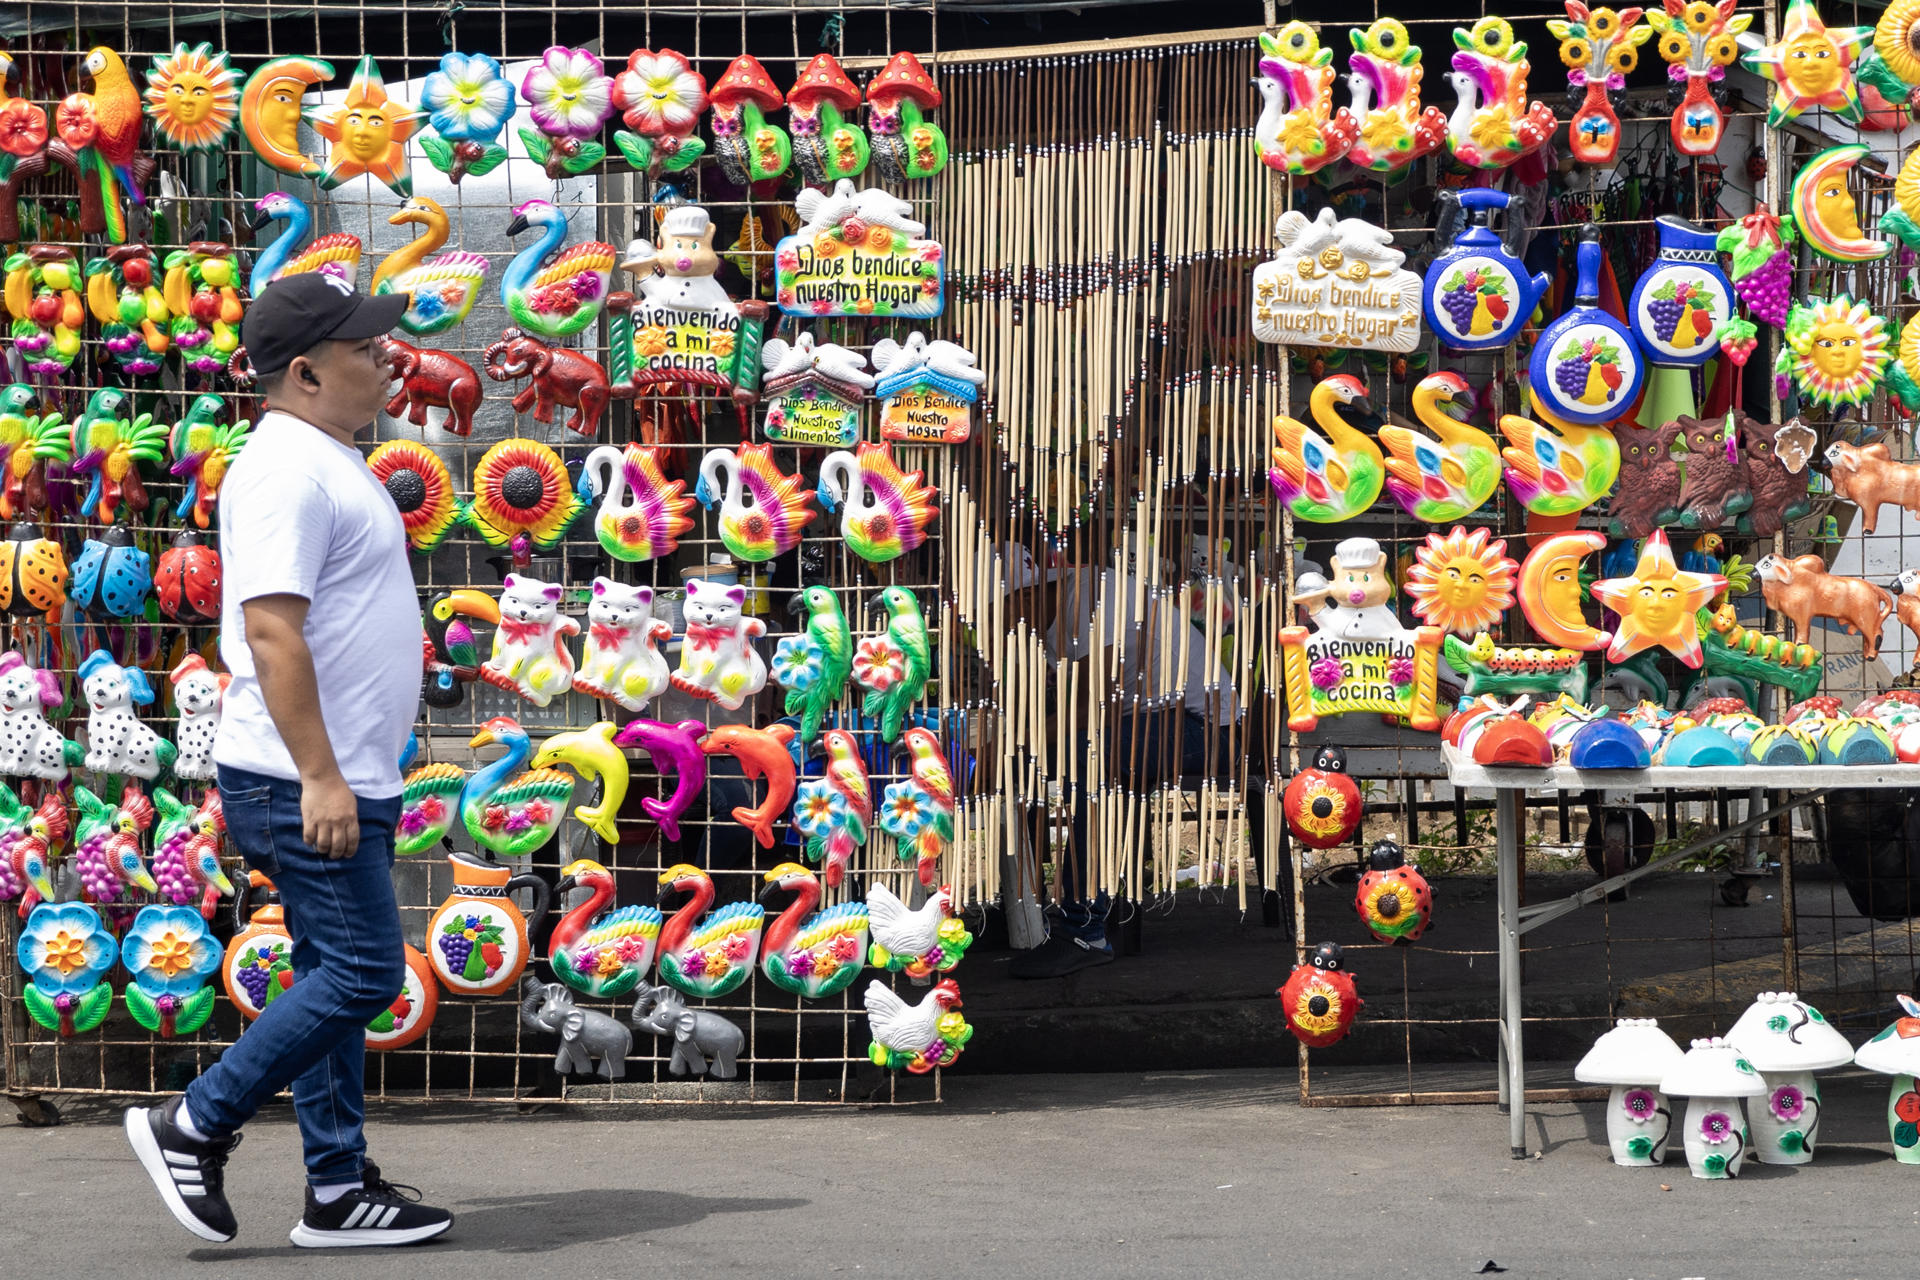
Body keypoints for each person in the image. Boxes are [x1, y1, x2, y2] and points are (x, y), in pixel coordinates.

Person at [123, 274, 452, 1248]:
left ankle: (338, 1188)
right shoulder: (288, 471)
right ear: (305, 372)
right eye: (364, 347)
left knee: (326, 964)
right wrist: (319, 773)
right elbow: (271, 629)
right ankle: (195, 1121)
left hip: (342, 771)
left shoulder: (328, 456)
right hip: (303, 776)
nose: (386, 355)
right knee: (361, 970)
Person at [1004, 543, 1275, 979]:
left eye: (1002, 611)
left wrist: (1020, 740)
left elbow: (1092, 700)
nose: (1001, 628)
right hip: (1150, 724)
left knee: (1083, 753)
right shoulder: (1050, 618)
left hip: (1204, 730)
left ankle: (1083, 930)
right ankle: (1031, 912)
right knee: (1060, 753)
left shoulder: (1098, 594)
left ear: (1028, 595)